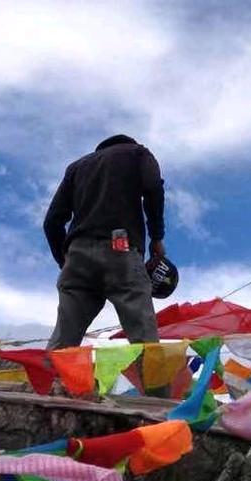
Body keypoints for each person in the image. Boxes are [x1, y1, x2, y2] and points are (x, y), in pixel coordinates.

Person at [43, 134, 166, 349]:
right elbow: (154, 188)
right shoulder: (137, 153)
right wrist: (156, 237)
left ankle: (46, 381)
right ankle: (156, 383)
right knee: (144, 340)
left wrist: (66, 262)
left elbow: (52, 222)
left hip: (77, 256)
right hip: (121, 247)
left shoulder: (76, 167)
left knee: (62, 342)